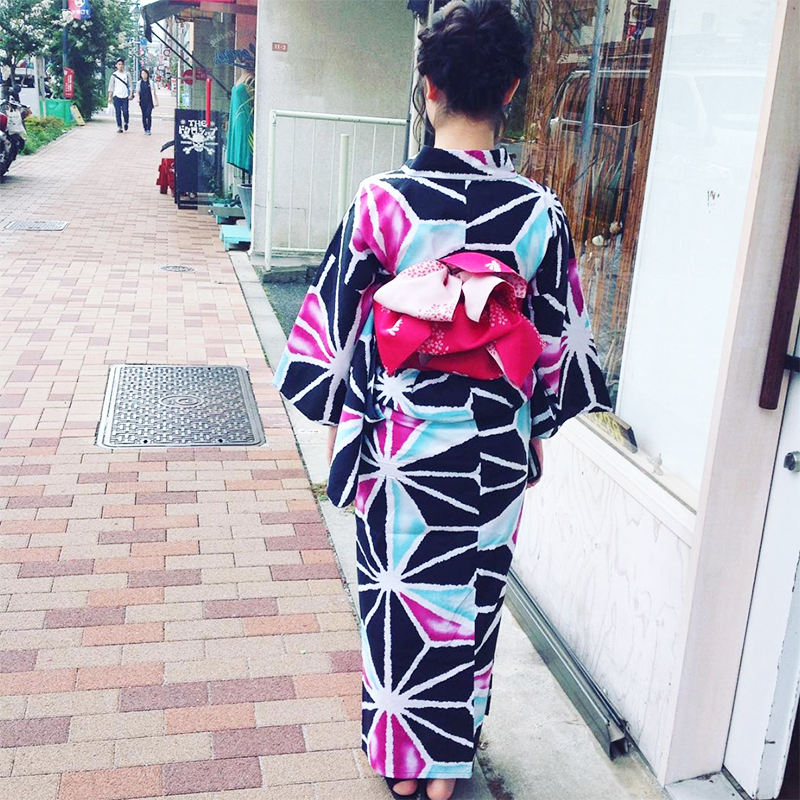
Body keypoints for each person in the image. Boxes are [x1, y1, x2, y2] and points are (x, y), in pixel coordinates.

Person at [274, 2, 611, 798]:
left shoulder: (381, 200)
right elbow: (556, 347)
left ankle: (402, 762)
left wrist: (342, 415)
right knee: (474, 600)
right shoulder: (538, 214)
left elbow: (332, 332)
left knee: (398, 598)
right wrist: (534, 424)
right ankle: (448, 765)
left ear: (428, 87)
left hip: (400, 439)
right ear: (514, 91)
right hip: (492, 449)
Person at [107, 58, 132, 133]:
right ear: (116, 65)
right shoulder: (114, 75)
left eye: (122, 64)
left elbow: (130, 85)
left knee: (125, 111)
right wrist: (110, 97)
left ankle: (126, 122)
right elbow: (111, 87)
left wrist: (131, 94)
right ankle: (119, 127)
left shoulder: (127, 74)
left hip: (125, 96)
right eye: (119, 64)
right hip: (116, 96)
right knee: (118, 112)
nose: (121, 66)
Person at [134, 68, 158, 135]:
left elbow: (154, 92)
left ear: (147, 74)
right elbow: (137, 91)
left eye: (145, 73)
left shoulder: (151, 82)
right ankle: (145, 128)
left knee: (148, 114)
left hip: (149, 101)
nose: (143, 75)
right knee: (144, 115)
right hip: (142, 101)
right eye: (142, 73)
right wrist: (137, 98)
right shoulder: (139, 83)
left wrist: (156, 101)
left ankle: (149, 129)